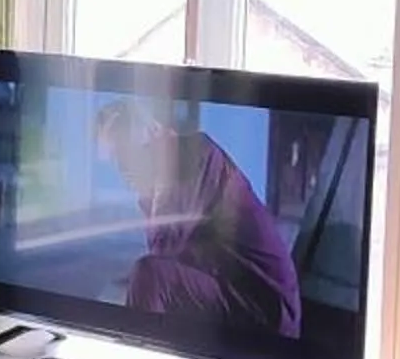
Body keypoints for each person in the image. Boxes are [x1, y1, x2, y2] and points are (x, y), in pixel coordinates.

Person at [90, 100, 302, 340]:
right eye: (115, 161)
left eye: (123, 155)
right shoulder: (169, 171)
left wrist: (154, 186)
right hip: (232, 292)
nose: (122, 170)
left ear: (151, 135)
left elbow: (162, 254)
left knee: (148, 274)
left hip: (266, 312)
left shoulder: (190, 157)